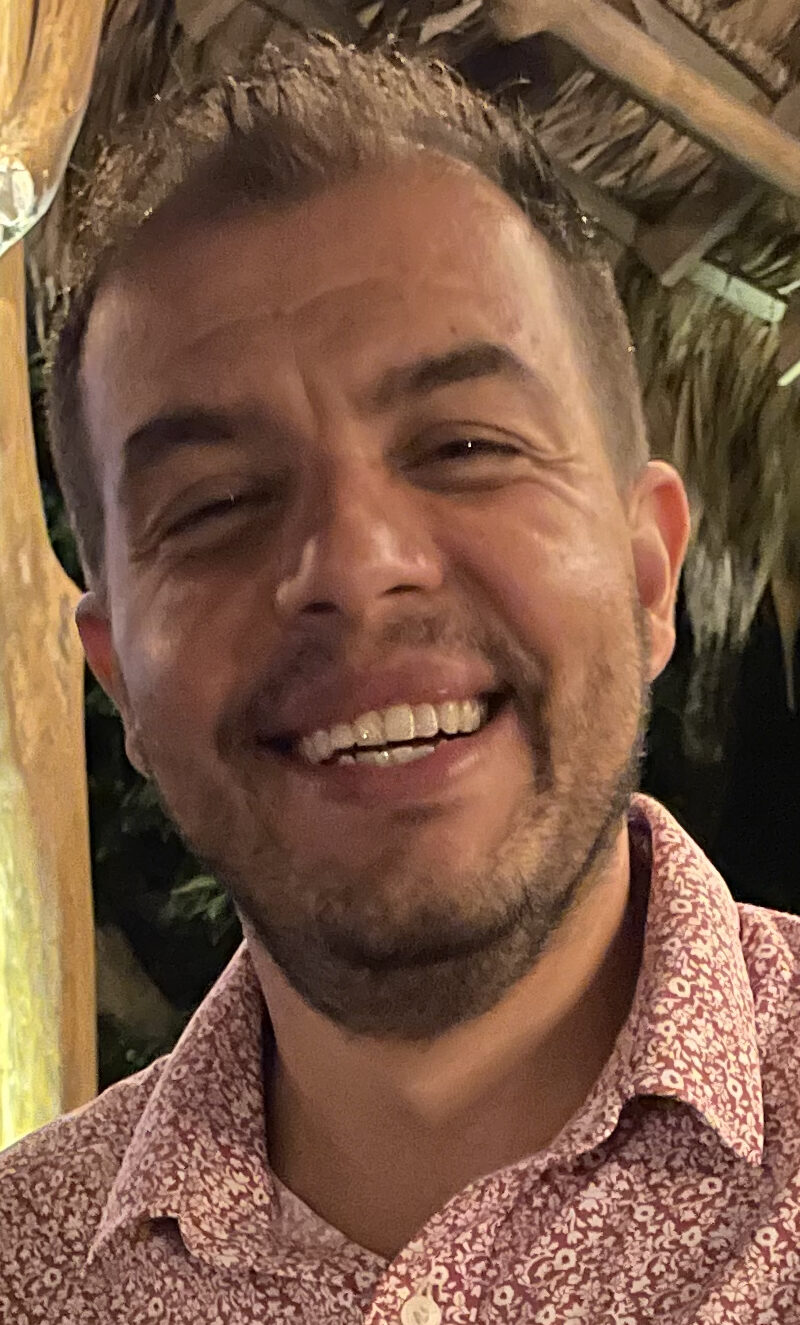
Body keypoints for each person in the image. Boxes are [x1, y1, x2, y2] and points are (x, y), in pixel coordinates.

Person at [2, 37, 799, 1325]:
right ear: (119, 679)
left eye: (466, 446)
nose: (357, 565)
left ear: (649, 573)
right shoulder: (29, 1269)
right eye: (215, 505)